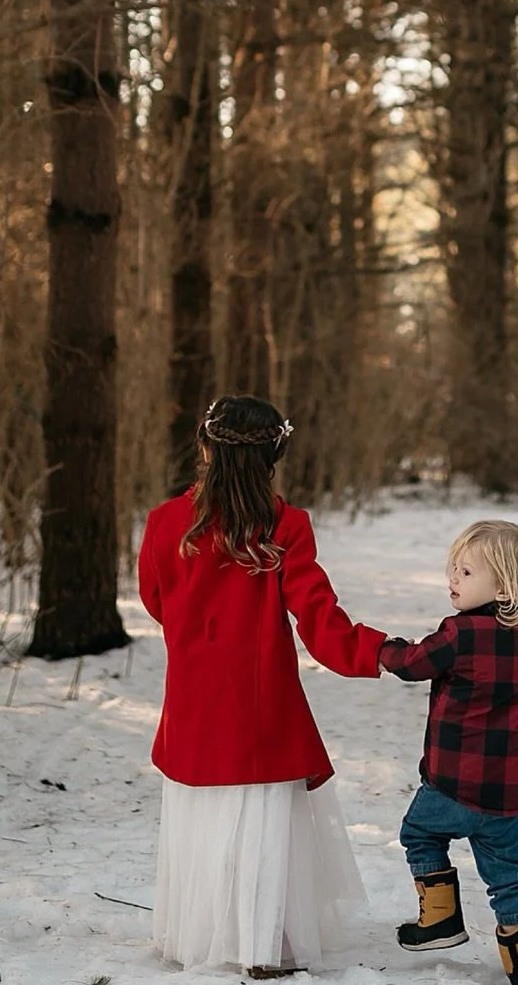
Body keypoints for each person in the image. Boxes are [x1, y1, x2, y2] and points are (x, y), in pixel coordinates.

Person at [138, 394, 385, 978]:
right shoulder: (284, 526)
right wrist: (383, 653)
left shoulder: (166, 523)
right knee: (263, 827)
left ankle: (197, 935)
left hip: (194, 706)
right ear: (277, 452)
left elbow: (156, 601)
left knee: (203, 822)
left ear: (205, 447)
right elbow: (320, 619)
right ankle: (260, 948)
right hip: (261, 707)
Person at [379, 519, 518, 983]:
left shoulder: (459, 635)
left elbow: (414, 663)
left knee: (419, 834)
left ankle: (439, 917)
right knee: (508, 873)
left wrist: (384, 649)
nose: (453, 580)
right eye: (453, 569)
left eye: (467, 572)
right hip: (508, 796)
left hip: (451, 785)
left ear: (505, 586)